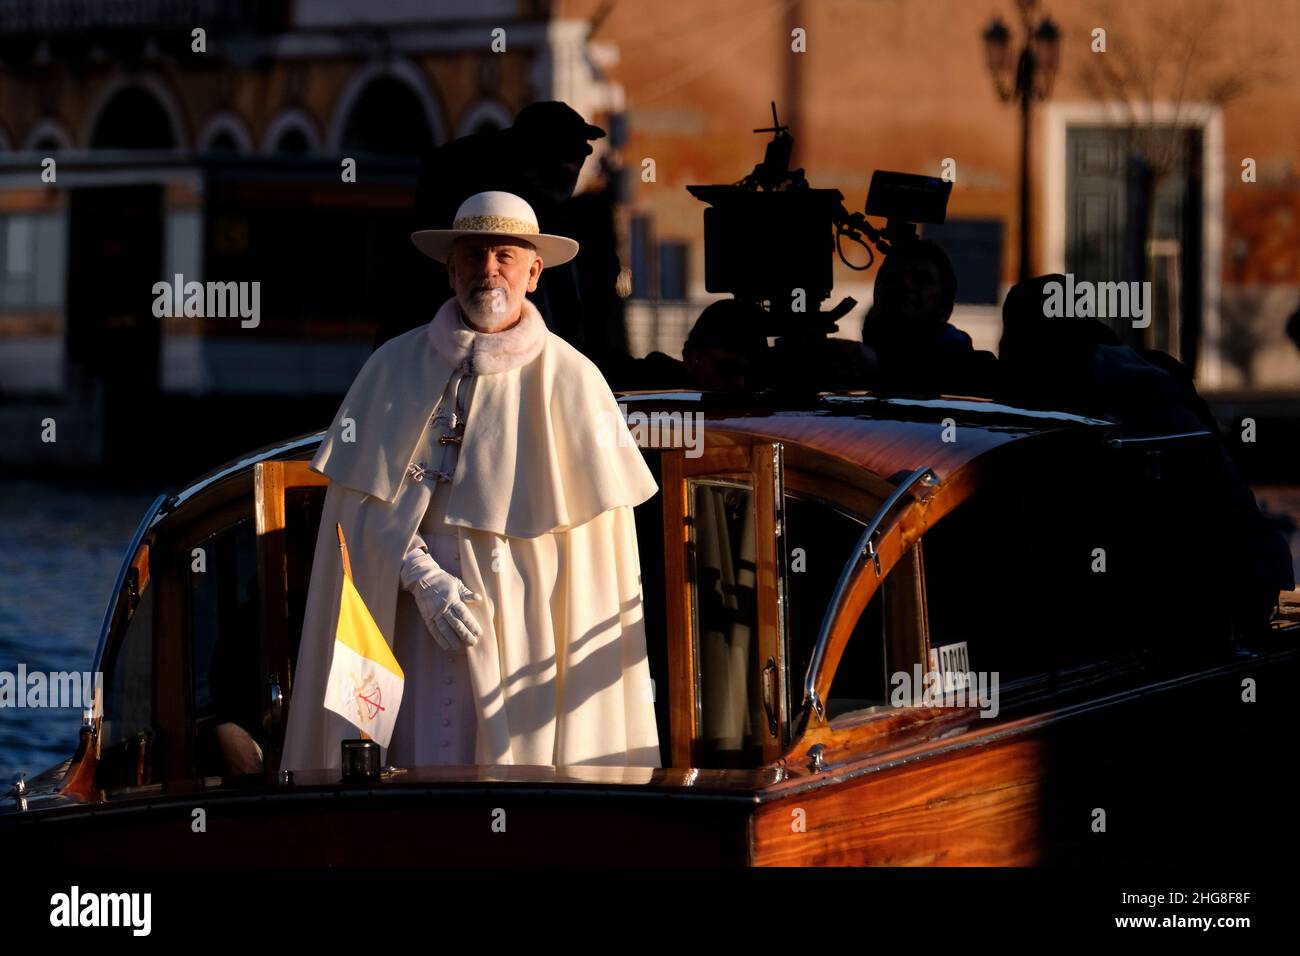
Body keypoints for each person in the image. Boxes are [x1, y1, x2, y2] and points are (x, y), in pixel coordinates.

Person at [281, 190, 663, 772]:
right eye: (475, 254)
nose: (489, 270)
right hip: (404, 619)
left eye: (505, 256)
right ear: (451, 268)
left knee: (512, 784)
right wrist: (420, 576)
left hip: (526, 632)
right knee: (396, 765)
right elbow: (354, 517)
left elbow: (591, 563)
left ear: (534, 272)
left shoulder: (575, 381)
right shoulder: (390, 367)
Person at [859, 239, 997, 396]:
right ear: (876, 295)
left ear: (945, 306)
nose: (905, 284)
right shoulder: (848, 366)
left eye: (921, 280)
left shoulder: (978, 374)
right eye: (894, 277)